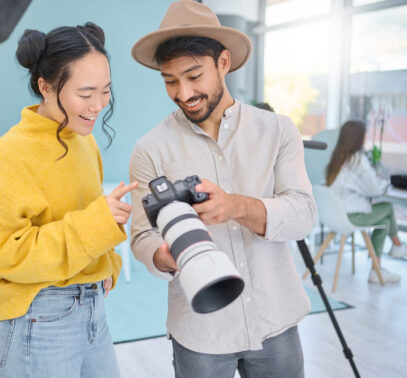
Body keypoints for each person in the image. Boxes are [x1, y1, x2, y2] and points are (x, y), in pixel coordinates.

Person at [128, 1, 316, 377]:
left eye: (194, 76)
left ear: (224, 63)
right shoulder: (150, 149)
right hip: (200, 330)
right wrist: (164, 256)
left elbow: (303, 215)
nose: (183, 93)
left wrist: (236, 207)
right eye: (170, 80)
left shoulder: (277, 130)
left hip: (275, 321)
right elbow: (141, 236)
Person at [0, 23, 137, 378]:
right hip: (40, 315)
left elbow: (87, 213)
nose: (98, 106)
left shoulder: (84, 142)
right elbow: (8, 255)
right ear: (45, 87)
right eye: (86, 93)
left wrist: (107, 266)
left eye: (106, 91)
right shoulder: (7, 155)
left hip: (91, 306)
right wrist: (99, 223)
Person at [326, 120, 407, 284]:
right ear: (357, 138)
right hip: (351, 217)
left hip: (335, 215)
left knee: (385, 222)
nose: (366, 137)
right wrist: (384, 182)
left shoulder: (337, 159)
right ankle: (397, 246)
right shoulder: (356, 160)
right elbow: (374, 189)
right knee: (387, 207)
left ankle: (377, 269)